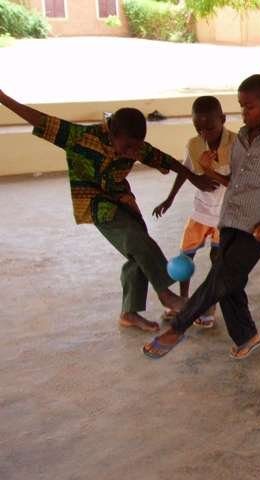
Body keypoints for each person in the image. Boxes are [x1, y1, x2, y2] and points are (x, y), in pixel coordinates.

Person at [0, 89, 217, 333]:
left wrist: (194, 178)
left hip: (123, 203)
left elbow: (165, 160)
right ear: (112, 134)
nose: (132, 153)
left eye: (137, 147)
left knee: (137, 253)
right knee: (137, 241)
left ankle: (129, 313)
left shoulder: (135, 145)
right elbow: (40, 120)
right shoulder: (80, 137)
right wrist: (3, 98)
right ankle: (166, 295)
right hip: (96, 205)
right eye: (127, 147)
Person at [143, 74, 260, 360]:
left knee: (221, 277)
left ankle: (178, 327)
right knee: (230, 281)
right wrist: (209, 170)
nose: (244, 113)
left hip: (258, 226)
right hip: (230, 219)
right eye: (241, 106)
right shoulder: (243, 137)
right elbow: (234, 182)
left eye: (250, 107)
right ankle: (247, 336)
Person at [152, 96, 235, 329]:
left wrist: (209, 171)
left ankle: (209, 305)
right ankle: (184, 301)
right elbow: (184, 171)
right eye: (198, 128)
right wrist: (170, 198)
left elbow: (235, 183)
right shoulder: (194, 144)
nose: (204, 134)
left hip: (224, 215)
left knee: (217, 260)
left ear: (223, 119)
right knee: (184, 258)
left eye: (210, 128)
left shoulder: (236, 143)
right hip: (201, 211)